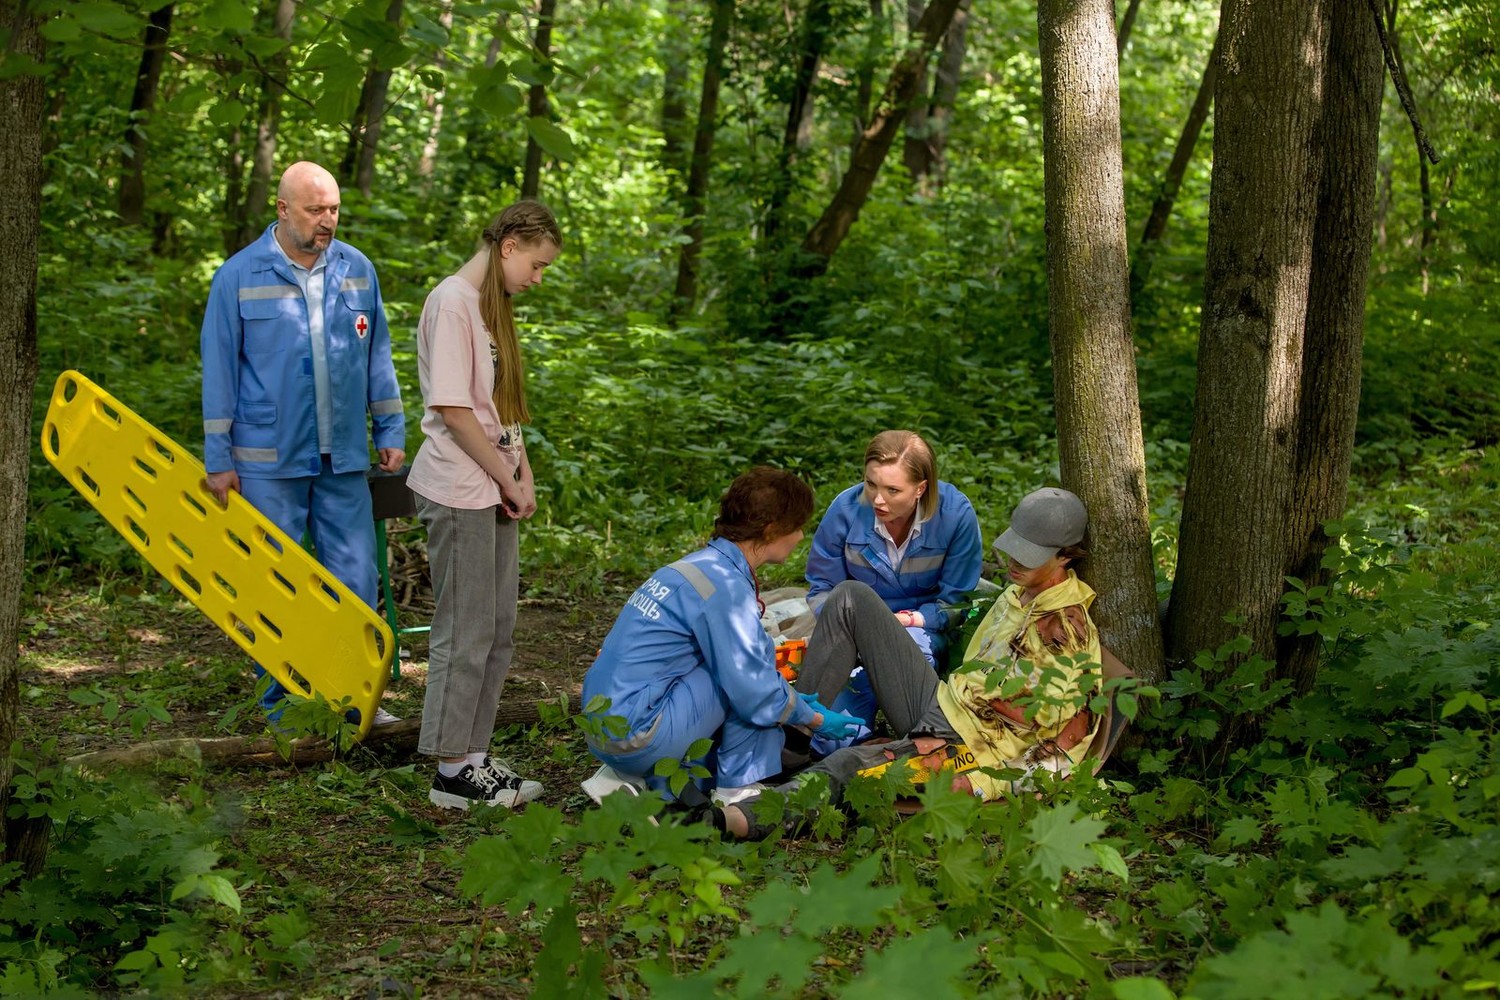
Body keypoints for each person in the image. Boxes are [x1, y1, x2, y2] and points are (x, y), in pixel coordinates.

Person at [711, 487, 1104, 839]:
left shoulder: (1065, 633)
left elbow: (1063, 746)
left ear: (1065, 556)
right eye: (1014, 546)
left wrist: (983, 785)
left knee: (848, 764)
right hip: (944, 704)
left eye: (1029, 554)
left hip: (972, 749)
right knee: (851, 598)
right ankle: (788, 749)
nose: (1014, 560)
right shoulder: (1020, 591)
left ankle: (728, 822)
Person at [200, 160, 405, 724]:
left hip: (343, 457)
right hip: (267, 463)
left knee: (357, 580)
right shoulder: (237, 276)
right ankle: (284, 705)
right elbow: (219, 374)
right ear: (283, 209)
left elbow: (377, 359)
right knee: (276, 587)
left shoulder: (357, 270)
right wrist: (218, 461)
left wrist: (390, 429)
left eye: (334, 209)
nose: (328, 220)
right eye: (316, 210)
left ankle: (355, 696)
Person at [581, 468, 865, 806]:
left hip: (603, 730)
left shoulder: (692, 568)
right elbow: (752, 687)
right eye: (798, 526)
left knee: (747, 673)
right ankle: (737, 791)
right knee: (748, 682)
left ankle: (638, 780)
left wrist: (793, 701)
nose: (802, 536)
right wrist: (815, 719)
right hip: (640, 736)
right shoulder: (726, 588)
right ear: (772, 530)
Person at [405, 200, 561, 810]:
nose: (538, 277)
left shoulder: (489, 307)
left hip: (491, 486)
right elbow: (454, 411)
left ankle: (474, 756)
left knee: (497, 628)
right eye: (538, 264)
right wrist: (506, 477)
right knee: (465, 629)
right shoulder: (451, 303)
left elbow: (498, 408)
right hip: (457, 488)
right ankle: (449, 771)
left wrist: (522, 472)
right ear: (509, 246)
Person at [802, 430, 982, 746]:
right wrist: (845, 636)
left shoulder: (955, 516)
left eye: (892, 490)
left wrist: (911, 620)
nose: (877, 499)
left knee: (916, 715)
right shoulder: (845, 509)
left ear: (921, 489)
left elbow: (956, 602)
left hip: (917, 630)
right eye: (871, 484)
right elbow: (822, 588)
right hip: (850, 630)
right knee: (831, 740)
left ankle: (913, 737)